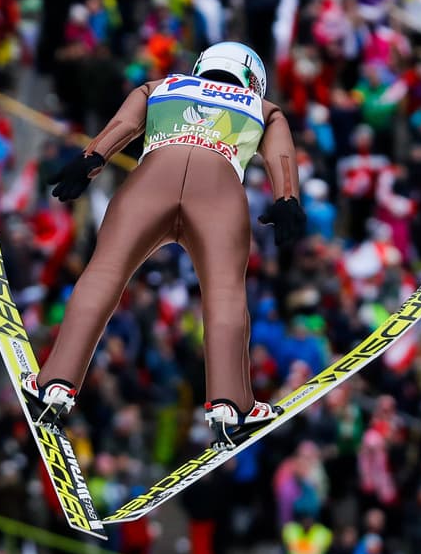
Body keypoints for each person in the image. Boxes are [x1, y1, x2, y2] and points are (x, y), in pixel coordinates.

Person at [27, 42, 306, 443]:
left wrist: (91, 159)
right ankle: (231, 404)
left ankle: (55, 382)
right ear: (253, 81)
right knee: (225, 292)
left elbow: (122, 126)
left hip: (151, 179)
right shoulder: (263, 108)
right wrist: (287, 199)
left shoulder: (162, 86)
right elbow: (281, 157)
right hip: (218, 189)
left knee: (104, 272)